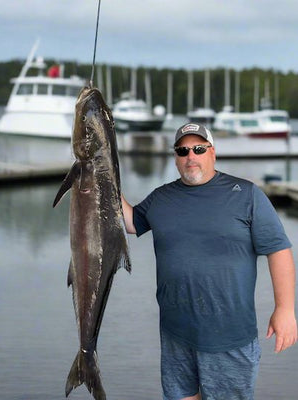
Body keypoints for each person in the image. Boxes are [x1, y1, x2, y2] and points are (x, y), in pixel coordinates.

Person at [121, 123, 297, 400]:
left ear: (212, 152)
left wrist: (285, 309)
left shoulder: (248, 195)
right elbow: (131, 223)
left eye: (198, 149)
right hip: (176, 332)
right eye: (182, 150)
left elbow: (279, 251)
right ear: (176, 158)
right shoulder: (161, 197)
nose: (190, 156)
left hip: (229, 336)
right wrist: (103, 179)